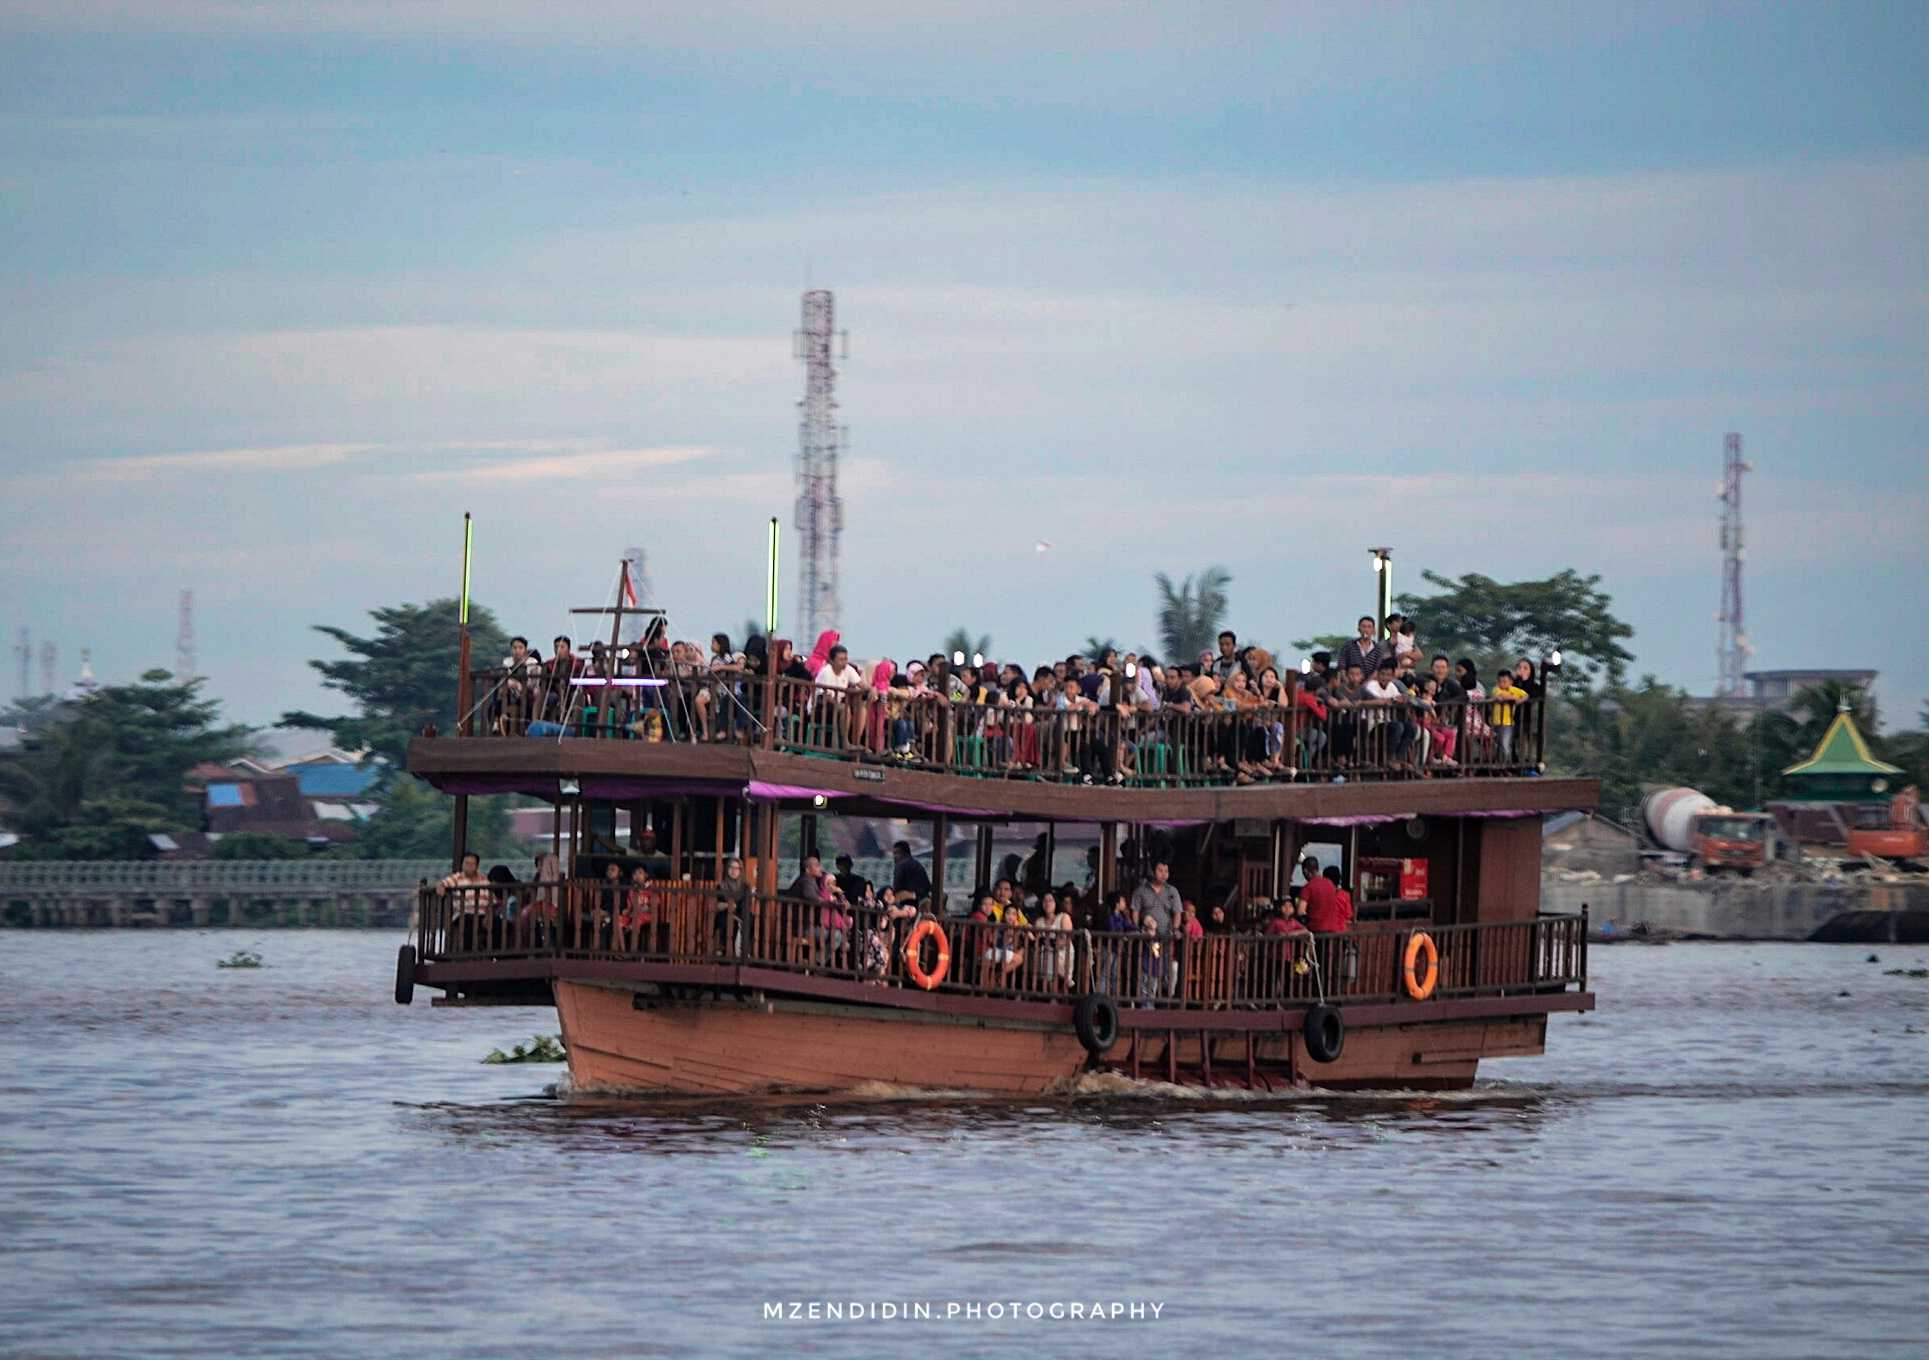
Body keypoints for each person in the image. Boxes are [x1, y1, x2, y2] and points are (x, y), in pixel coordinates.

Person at [1299, 856, 1350, 934]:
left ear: (1305, 871)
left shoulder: (1308, 887)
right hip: (1333, 930)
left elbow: (1300, 911)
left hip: (1316, 930)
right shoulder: (1330, 884)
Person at [713, 856, 749, 956]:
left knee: (751, 920)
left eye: (736, 868)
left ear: (740, 871)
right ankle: (725, 951)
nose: (733, 871)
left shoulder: (745, 887)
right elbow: (718, 904)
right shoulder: (721, 886)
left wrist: (736, 910)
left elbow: (745, 904)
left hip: (740, 914)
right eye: (731, 867)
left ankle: (745, 951)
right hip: (725, 913)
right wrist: (728, 905)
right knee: (725, 921)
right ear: (727, 869)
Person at [1490, 669, 1527, 762]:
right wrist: (1514, 697)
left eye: (1504, 681)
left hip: (1508, 722)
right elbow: (1502, 696)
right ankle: (1498, 762)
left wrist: (1519, 701)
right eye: (1499, 681)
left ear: (1511, 682)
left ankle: (1505, 763)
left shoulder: (1514, 690)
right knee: (1496, 743)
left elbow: (1526, 695)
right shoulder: (1496, 689)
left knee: (1505, 744)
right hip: (1496, 722)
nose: (1501, 684)